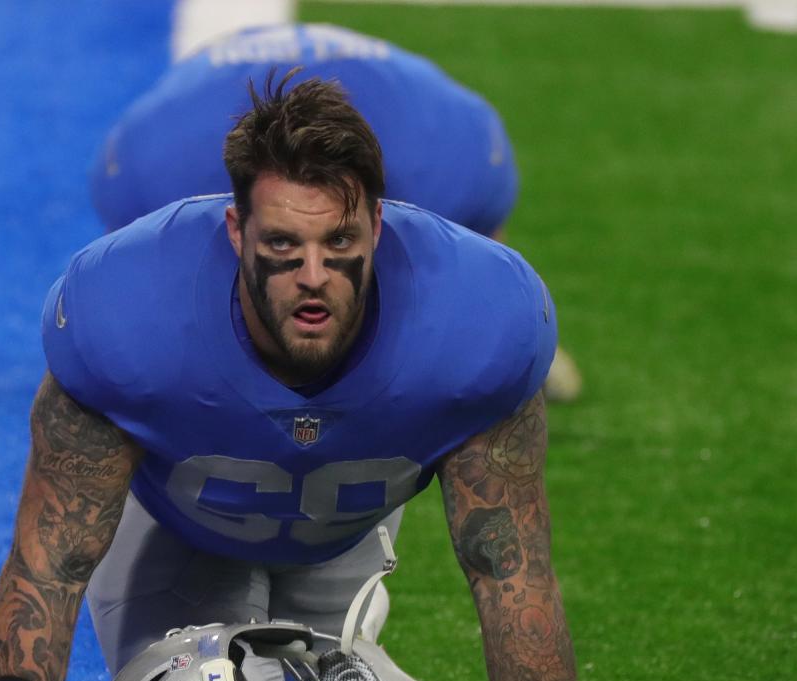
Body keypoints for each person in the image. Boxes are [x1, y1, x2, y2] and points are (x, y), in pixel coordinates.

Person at [0, 74, 712, 681]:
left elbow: (510, 567)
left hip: (344, 523)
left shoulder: (476, 319)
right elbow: (50, 562)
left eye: (340, 245)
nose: (313, 275)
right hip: (178, 523)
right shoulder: (127, 313)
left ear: (378, 224)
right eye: (281, 248)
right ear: (235, 231)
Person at [90, 22, 581, 401]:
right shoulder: (149, 172)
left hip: (436, 142)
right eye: (280, 240)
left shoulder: (457, 163)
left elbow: (480, 241)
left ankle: (513, 333)